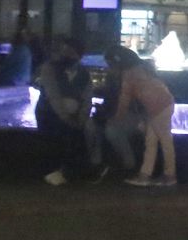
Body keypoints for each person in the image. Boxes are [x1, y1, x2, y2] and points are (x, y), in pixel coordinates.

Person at [105, 46, 177, 187]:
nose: (109, 67)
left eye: (110, 63)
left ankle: (169, 175)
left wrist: (117, 118)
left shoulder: (129, 74)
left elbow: (124, 99)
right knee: (152, 141)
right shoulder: (143, 67)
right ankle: (146, 175)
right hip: (163, 104)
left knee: (164, 141)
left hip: (157, 107)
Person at [35, 37, 93, 186]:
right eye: (64, 51)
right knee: (58, 132)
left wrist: (81, 119)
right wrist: (67, 118)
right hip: (49, 112)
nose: (66, 55)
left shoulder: (84, 73)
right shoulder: (49, 68)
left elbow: (87, 99)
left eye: (71, 52)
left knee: (77, 134)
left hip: (72, 115)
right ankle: (56, 170)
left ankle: (73, 171)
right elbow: (53, 96)